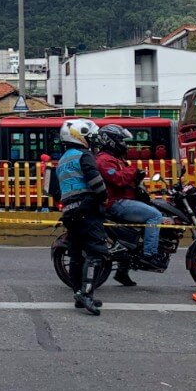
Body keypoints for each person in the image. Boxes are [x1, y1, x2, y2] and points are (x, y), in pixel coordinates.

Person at [95, 124, 167, 286]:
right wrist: (134, 172)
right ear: (110, 141)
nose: (124, 144)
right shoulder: (104, 160)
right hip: (115, 203)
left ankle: (122, 272)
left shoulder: (115, 158)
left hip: (125, 200)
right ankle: (150, 254)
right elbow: (118, 179)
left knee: (130, 236)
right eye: (121, 140)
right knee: (154, 215)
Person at [51, 119, 109, 316]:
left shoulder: (63, 160)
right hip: (87, 208)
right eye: (90, 137)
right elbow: (96, 182)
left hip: (70, 212)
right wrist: (103, 198)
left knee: (76, 254)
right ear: (79, 136)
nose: (92, 141)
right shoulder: (84, 156)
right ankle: (86, 294)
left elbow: (56, 192)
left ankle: (78, 293)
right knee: (96, 252)